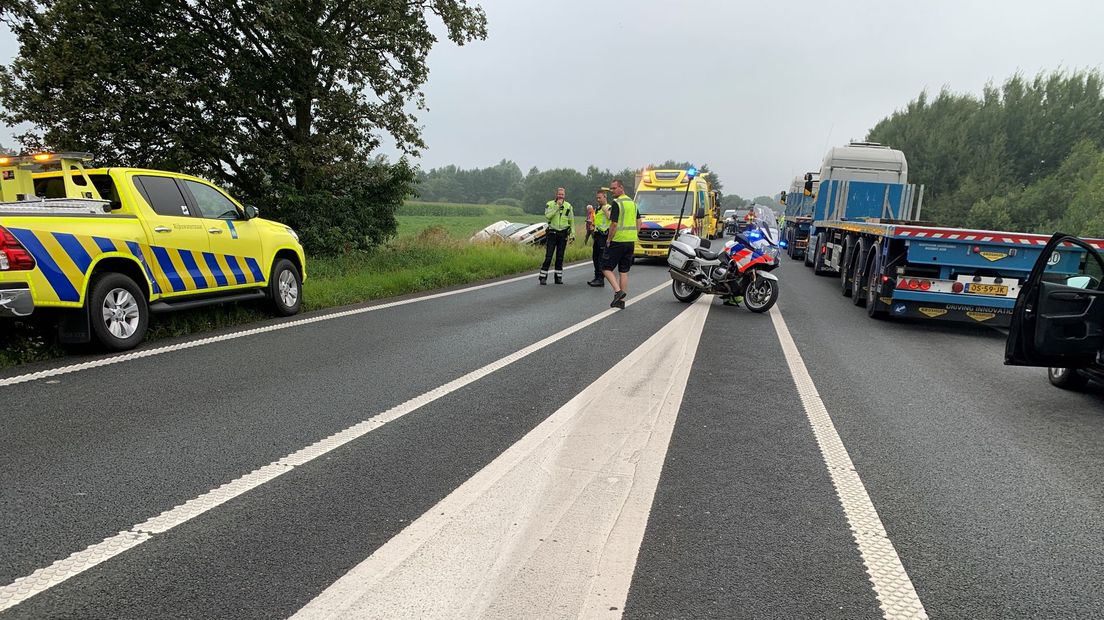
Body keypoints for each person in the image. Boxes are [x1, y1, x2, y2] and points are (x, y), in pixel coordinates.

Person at [602, 179, 641, 308]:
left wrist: (608, 239)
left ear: (621, 188)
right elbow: (639, 221)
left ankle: (618, 292)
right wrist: (634, 233)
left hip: (618, 240)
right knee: (623, 271)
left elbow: (614, 224)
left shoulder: (617, 203)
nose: (612, 191)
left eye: (614, 188)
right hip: (630, 241)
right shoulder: (632, 203)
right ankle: (621, 301)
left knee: (605, 267)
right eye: (611, 189)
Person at [539, 187, 574, 285]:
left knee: (560, 257)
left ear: (565, 195)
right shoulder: (550, 204)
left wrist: (573, 234)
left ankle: (558, 277)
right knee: (549, 256)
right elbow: (548, 216)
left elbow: (571, 221)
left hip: (563, 233)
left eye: (562, 195)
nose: (561, 196)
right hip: (552, 233)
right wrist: (557, 207)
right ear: (556, 194)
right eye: (559, 194)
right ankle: (543, 277)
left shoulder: (568, 206)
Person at [587, 189, 611, 286]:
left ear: (605, 197)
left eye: (600, 198)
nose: (598, 199)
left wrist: (606, 211)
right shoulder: (598, 208)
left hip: (604, 235)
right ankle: (597, 277)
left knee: (601, 258)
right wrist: (592, 224)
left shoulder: (608, 207)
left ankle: (601, 279)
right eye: (597, 198)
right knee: (595, 257)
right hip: (597, 234)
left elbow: (611, 218)